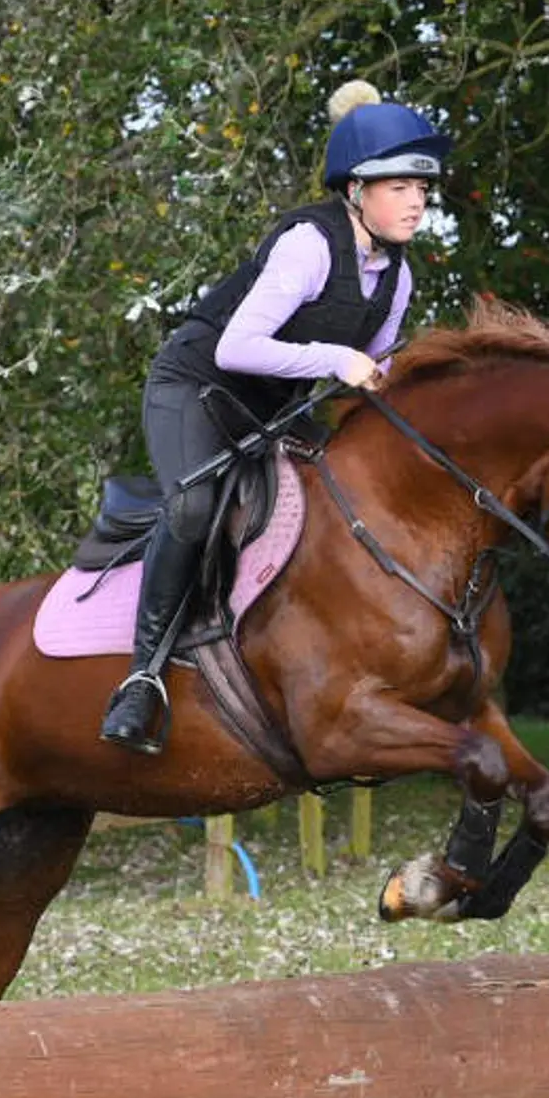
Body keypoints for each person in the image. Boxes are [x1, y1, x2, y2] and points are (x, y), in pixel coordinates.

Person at [99, 80, 452, 754]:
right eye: (400, 186)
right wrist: (339, 357)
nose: (417, 201)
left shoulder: (398, 277)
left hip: (271, 412)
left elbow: (373, 379)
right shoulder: (308, 246)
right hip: (196, 389)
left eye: (423, 189)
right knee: (195, 507)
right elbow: (238, 347)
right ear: (356, 190)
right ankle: (142, 678)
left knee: (344, 496)